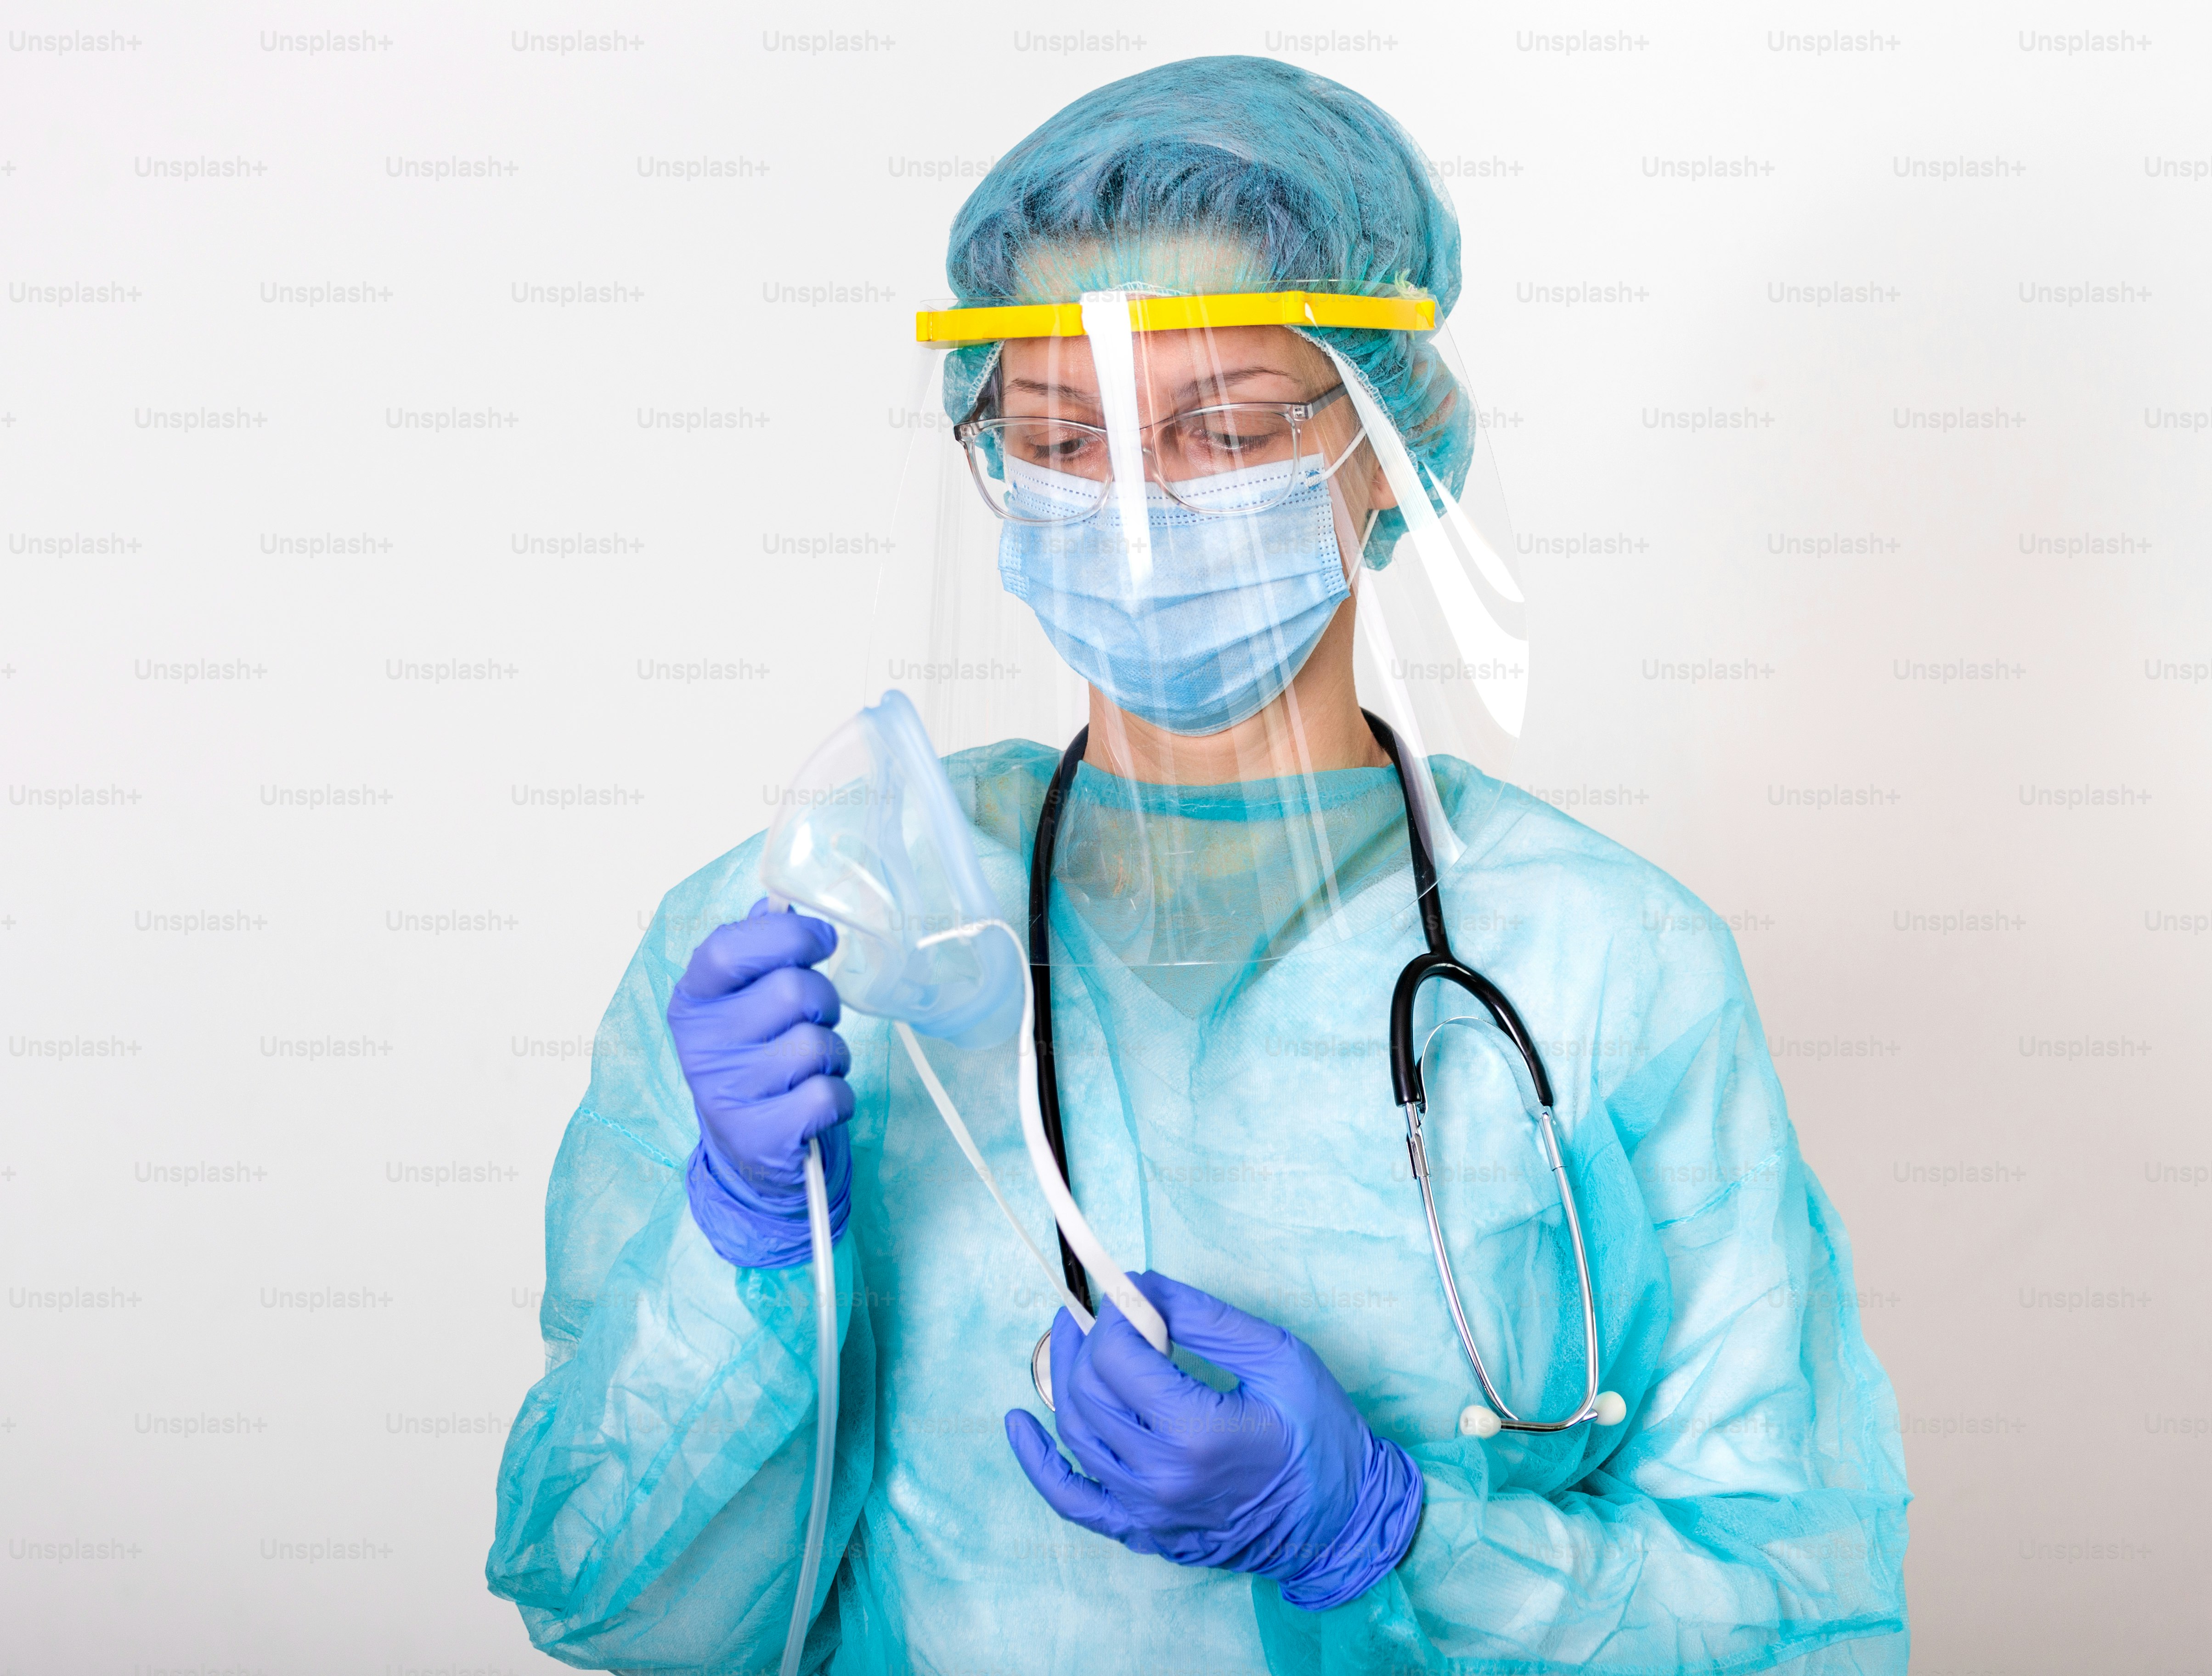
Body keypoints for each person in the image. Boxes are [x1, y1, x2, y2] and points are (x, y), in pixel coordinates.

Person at [489, 56, 1909, 1674]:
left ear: (1392, 446)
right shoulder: (844, 932)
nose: (1134, 512)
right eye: (1062, 437)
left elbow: (1803, 1624)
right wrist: (739, 1239)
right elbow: (607, 1604)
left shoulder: (1605, 960)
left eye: (1222, 430)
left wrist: (1387, 1531)